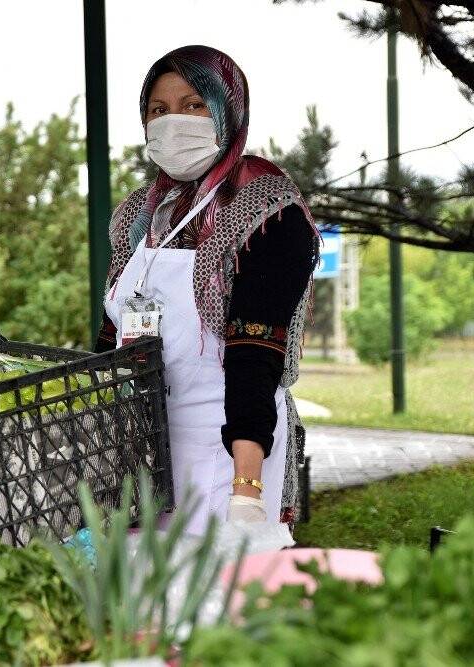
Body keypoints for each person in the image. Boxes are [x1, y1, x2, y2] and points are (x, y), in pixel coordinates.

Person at [99, 45, 319, 534]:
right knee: (140, 600)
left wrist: (248, 481)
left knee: (218, 597)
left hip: (229, 449)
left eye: (194, 105)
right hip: (141, 450)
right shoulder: (140, 214)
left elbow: (254, 351)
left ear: (227, 110)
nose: (173, 120)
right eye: (159, 110)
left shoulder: (265, 209)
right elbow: (108, 338)